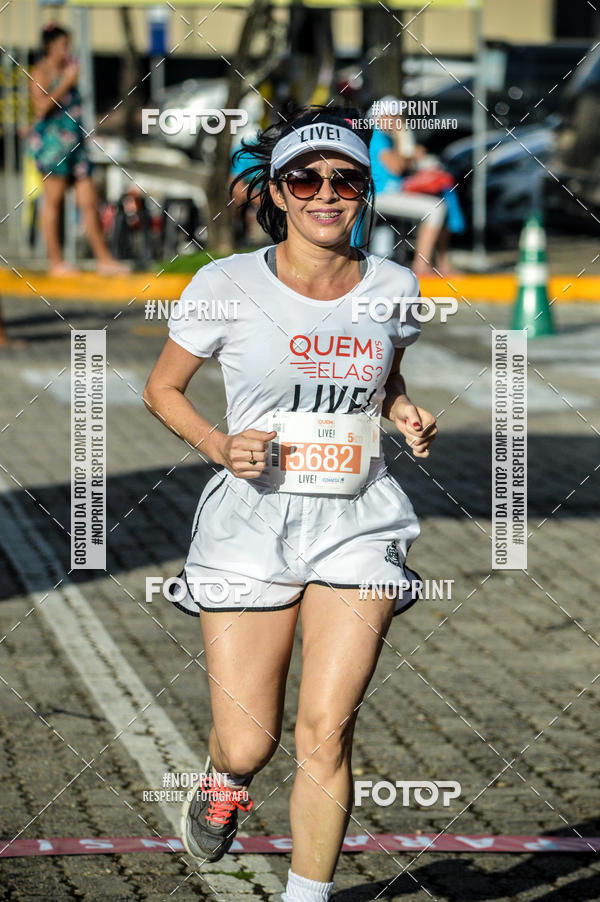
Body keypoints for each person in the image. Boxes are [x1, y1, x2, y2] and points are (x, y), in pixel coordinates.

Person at [144, 104, 438, 902]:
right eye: (304, 178)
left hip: (356, 519)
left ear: (364, 191)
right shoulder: (225, 283)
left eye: (345, 179)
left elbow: (384, 375)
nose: (325, 193)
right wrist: (217, 445)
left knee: (326, 732)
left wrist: (398, 411)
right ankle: (222, 783)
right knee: (249, 741)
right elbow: (163, 389)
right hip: (252, 518)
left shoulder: (394, 287)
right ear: (276, 191)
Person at [27, 24, 130, 276]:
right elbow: (41, 106)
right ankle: (56, 261)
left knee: (89, 200)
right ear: (49, 46)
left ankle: (103, 259)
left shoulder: (67, 69)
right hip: (53, 147)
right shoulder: (41, 71)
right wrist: (66, 82)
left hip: (75, 145)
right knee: (54, 202)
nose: (67, 50)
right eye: (62, 45)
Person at [369, 98, 459, 275]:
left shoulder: (384, 138)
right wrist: (402, 139)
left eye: (398, 116)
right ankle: (421, 265)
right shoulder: (377, 136)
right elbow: (396, 167)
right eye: (393, 116)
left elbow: (402, 166)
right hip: (380, 195)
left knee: (443, 196)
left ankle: (441, 261)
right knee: (435, 208)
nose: (398, 120)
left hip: (392, 191)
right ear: (380, 116)